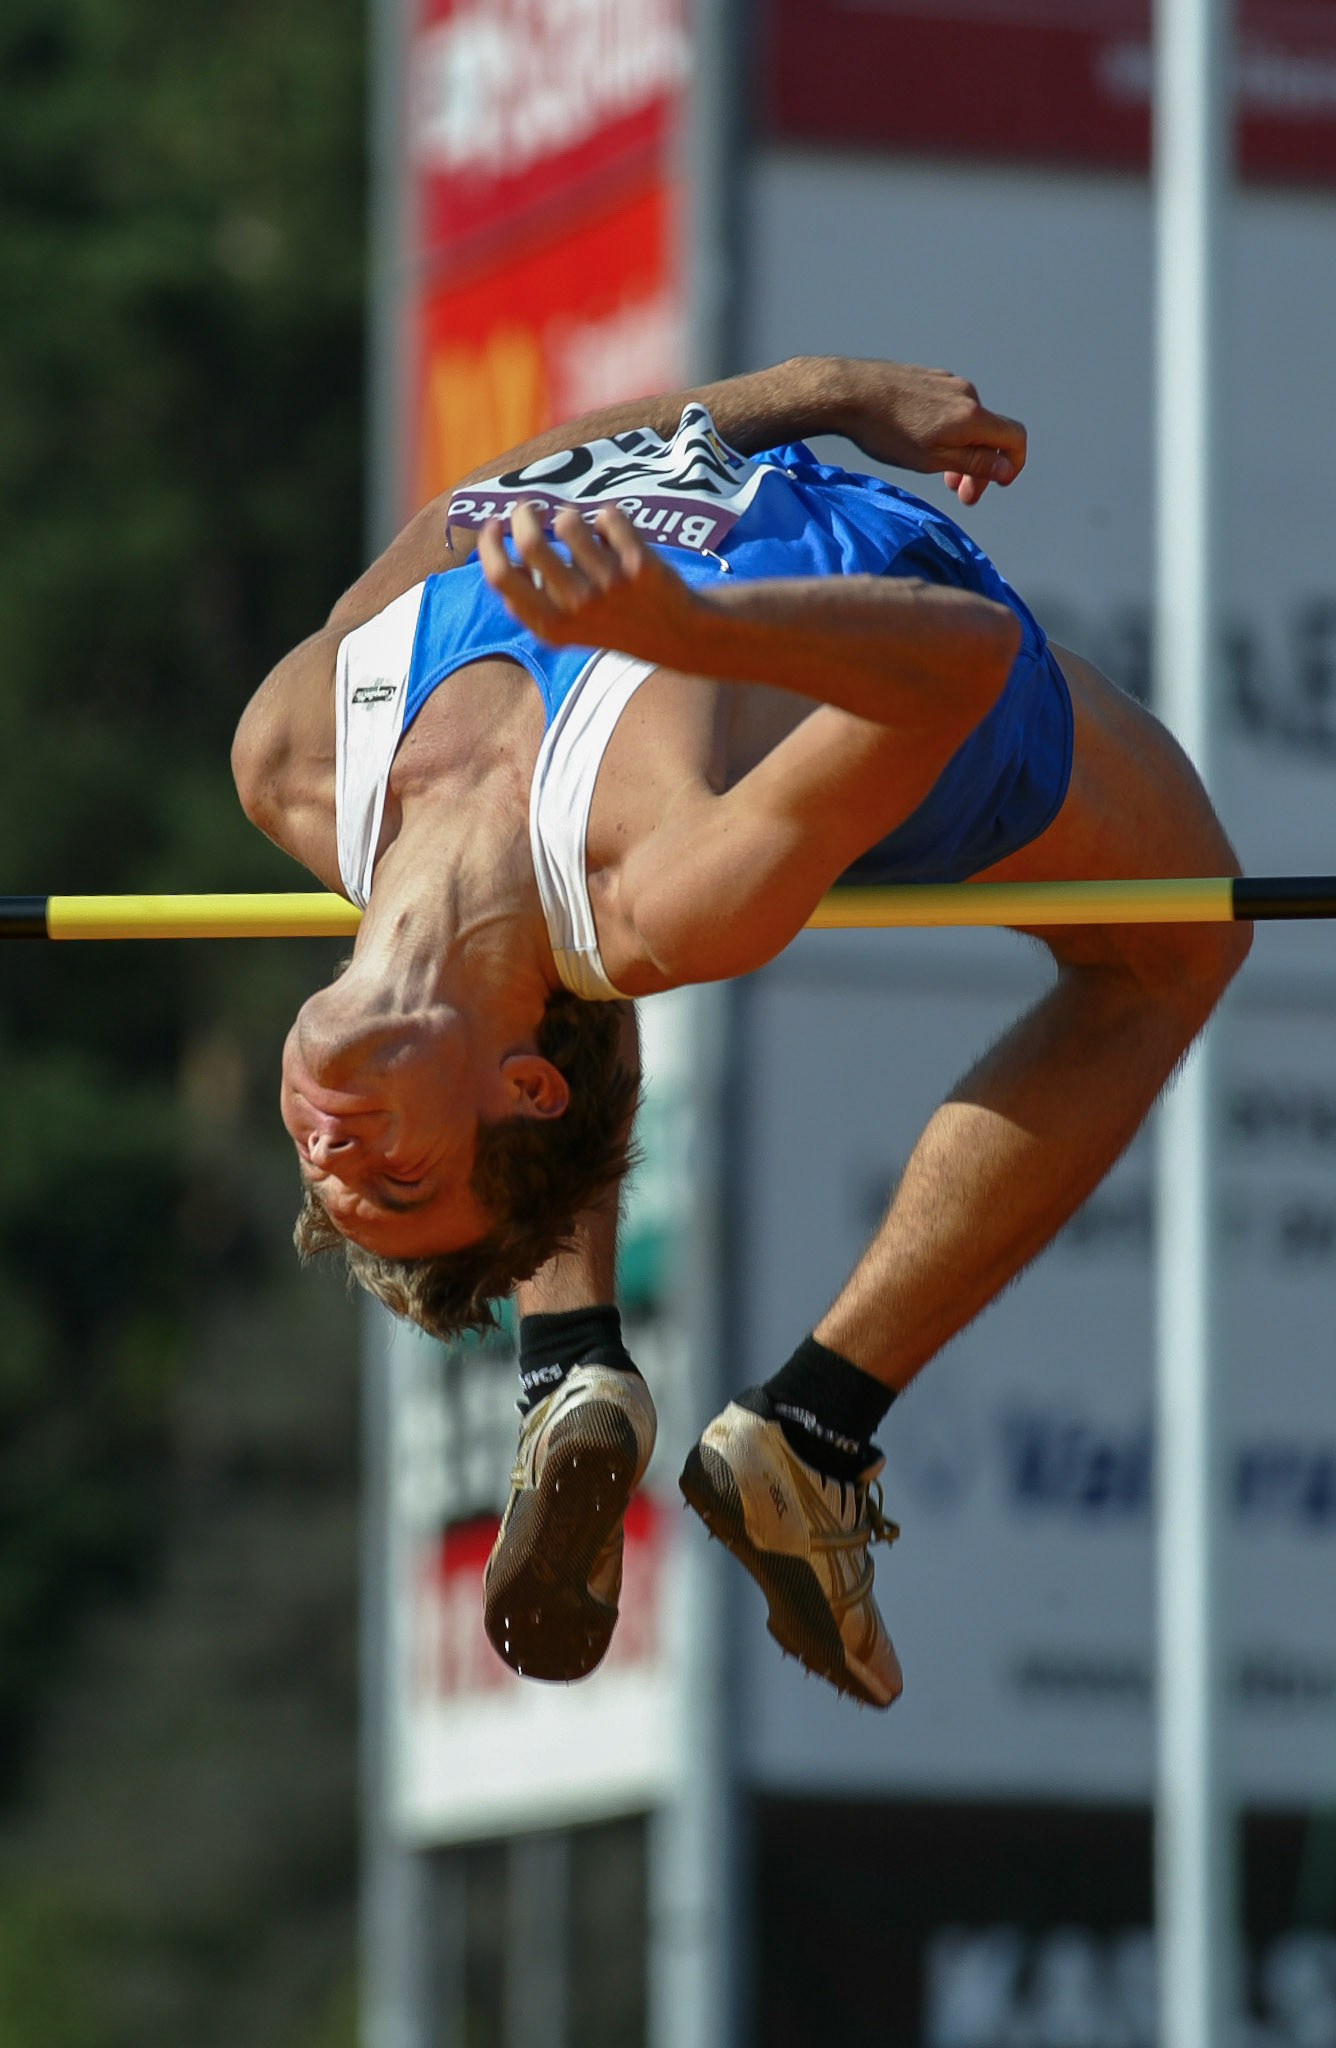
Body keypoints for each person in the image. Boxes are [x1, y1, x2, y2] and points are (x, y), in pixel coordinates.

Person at [232, 355, 1248, 1708]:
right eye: (398, 1184)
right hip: (871, 646)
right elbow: (962, 661)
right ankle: (815, 1425)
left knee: (526, 942)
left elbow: (501, 491)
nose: (336, 1162)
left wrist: (826, 391)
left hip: (735, 519)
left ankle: (570, 1366)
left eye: (326, 1185)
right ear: (521, 1088)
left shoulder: (296, 752)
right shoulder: (667, 894)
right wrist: (691, 632)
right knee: (1177, 948)